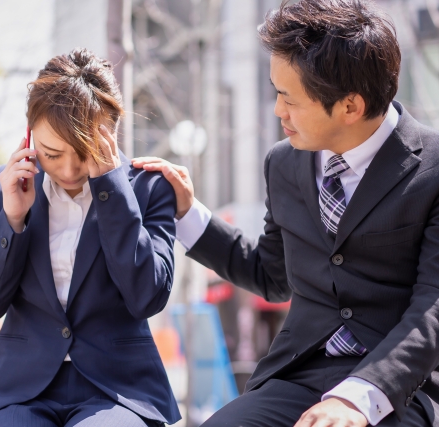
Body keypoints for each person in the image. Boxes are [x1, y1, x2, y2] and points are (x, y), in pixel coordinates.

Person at [133, 1, 439, 426]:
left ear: (350, 107)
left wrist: (357, 399)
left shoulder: (434, 167)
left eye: (289, 99)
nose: (279, 111)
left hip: (398, 388)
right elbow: (272, 276)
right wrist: (187, 212)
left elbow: (432, 309)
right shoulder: (284, 162)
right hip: (296, 376)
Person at [0, 48, 181, 427]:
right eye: (51, 153)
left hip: (117, 390)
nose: (68, 169)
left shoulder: (149, 189)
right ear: (30, 133)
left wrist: (111, 191)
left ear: (112, 130)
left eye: (84, 152)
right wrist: (12, 219)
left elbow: (148, 296)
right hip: (18, 390)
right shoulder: (1, 187)